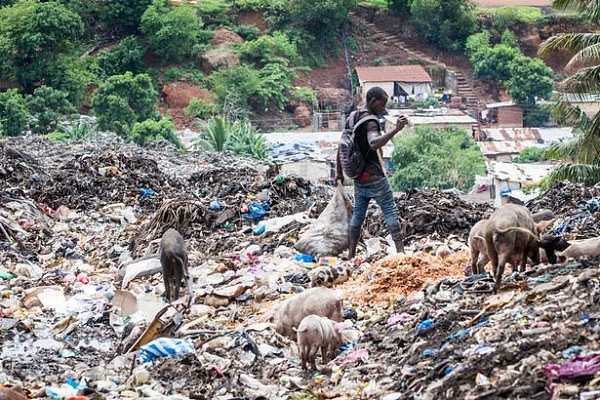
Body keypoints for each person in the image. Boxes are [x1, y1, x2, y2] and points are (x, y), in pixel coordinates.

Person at [335, 86, 409, 258]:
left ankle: (351, 255)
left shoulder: (352, 117)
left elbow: (341, 146)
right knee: (390, 212)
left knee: (357, 218)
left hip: (359, 177)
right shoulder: (371, 121)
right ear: (373, 101)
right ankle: (401, 253)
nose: (382, 109)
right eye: (382, 105)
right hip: (375, 176)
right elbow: (374, 143)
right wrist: (396, 129)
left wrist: (339, 173)